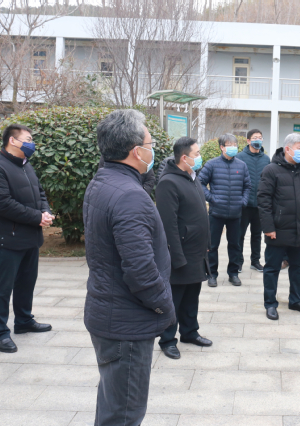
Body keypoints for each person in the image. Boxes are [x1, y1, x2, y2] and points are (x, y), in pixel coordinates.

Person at [83, 109, 175, 426]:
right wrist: (165, 306)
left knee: (113, 404)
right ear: (136, 151)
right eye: (150, 144)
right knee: (124, 414)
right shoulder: (129, 196)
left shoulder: (103, 181)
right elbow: (139, 269)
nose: (153, 150)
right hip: (127, 323)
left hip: (110, 312)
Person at [0, 124, 54, 353]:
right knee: (3, 288)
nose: (32, 143)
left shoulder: (25, 165)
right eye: (28, 139)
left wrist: (45, 211)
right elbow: (2, 204)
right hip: (9, 239)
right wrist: (36, 217)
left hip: (30, 237)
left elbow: (40, 193)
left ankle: (23, 320)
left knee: (26, 283)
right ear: (13, 141)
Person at [155, 137, 213, 360]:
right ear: (184, 157)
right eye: (196, 154)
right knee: (174, 299)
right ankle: (167, 339)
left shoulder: (192, 177)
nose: (199, 157)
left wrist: (207, 245)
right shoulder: (168, 183)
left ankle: (190, 332)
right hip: (180, 252)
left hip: (196, 251)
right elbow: (168, 225)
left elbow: (201, 215)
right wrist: (176, 256)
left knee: (192, 296)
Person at [258, 133, 300, 321]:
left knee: (298, 267)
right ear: (287, 149)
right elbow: (263, 200)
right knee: (272, 268)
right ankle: (270, 303)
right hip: (278, 229)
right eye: (299, 148)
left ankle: (296, 300)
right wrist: (268, 227)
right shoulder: (271, 170)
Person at [198, 134, 251, 287]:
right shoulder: (212, 164)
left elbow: (247, 186)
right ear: (222, 147)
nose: (233, 147)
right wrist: (212, 198)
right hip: (216, 213)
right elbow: (200, 183)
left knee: (235, 245)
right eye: (229, 144)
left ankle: (233, 274)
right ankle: (212, 274)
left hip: (236, 213)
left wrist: (243, 201)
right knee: (212, 245)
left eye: (235, 144)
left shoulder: (241, 165)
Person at [236, 129, 270, 272]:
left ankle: (255, 261)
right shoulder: (239, 157)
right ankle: (238, 262)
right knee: (239, 235)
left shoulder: (266, 159)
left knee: (257, 235)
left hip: (260, 205)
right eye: (255, 137)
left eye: (260, 137)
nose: (258, 140)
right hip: (244, 204)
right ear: (248, 140)